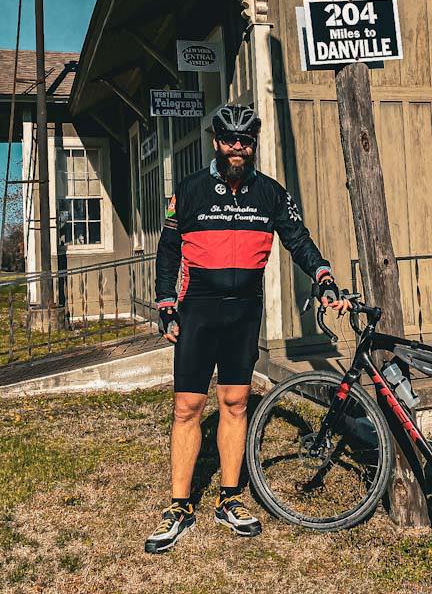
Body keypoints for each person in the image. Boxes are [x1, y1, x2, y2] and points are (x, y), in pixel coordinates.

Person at [144, 104, 349, 554]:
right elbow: (168, 251)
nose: (238, 146)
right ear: (216, 142)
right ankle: (179, 505)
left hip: (244, 312)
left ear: (253, 144)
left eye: (246, 139)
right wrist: (166, 304)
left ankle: (230, 499)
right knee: (187, 407)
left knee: (235, 403)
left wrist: (323, 275)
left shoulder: (271, 194)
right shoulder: (192, 190)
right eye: (230, 139)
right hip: (198, 309)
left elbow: (298, 240)